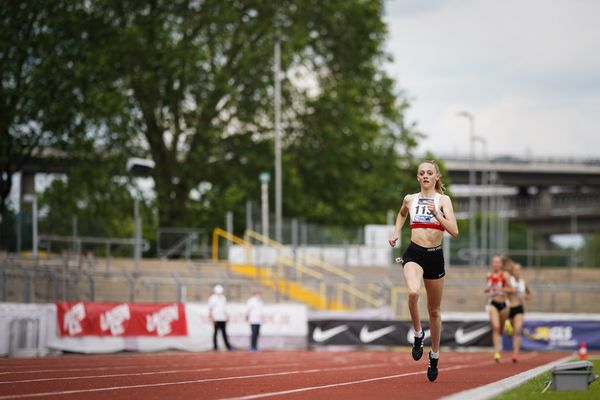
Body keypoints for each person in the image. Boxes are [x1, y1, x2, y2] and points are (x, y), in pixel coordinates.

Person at [389, 160, 459, 382]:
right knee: (412, 293)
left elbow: (455, 231)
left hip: (435, 257)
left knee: (435, 311)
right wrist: (395, 233)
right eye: (422, 173)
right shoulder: (410, 199)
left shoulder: (443, 200)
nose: (426, 176)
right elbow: (401, 214)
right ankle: (418, 334)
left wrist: (437, 214)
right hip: (414, 253)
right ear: (418, 178)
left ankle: (435, 355)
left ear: (436, 177)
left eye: (430, 172)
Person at [484, 256, 513, 363]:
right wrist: (487, 289)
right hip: (493, 303)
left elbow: (512, 289)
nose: (495, 264)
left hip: (503, 304)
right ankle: (497, 352)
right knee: (495, 327)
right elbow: (486, 288)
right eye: (494, 262)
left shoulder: (505, 275)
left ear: (501, 264)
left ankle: (507, 323)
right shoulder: (489, 275)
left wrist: (501, 289)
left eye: (497, 262)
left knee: (500, 330)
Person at [506, 262, 531, 363]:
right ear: (512, 271)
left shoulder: (523, 282)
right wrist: (510, 290)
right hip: (508, 308)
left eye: (519, 269)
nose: (517, 271)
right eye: (515, 270)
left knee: (517, 331)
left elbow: (529, 294)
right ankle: (508, 328)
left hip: (519, 308)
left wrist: (526, 296)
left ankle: (515, 354)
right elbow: (503, 291)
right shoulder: (509, 281)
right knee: (510, 330)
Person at [208, 284, 232, 351]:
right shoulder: (212, 298)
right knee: (215, 333)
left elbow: (224, 308)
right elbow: (210, 309)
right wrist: (212, 318)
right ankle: (215, 347)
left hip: (222, 318)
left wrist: (227, 316)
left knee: (224, 333)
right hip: (216, 318)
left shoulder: (223, 298)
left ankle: (228, 347)